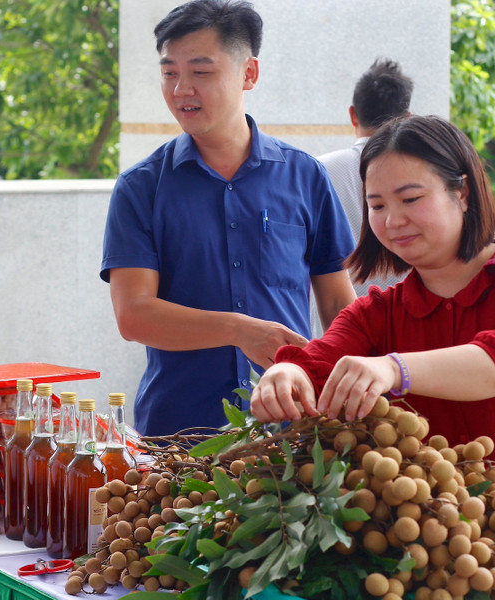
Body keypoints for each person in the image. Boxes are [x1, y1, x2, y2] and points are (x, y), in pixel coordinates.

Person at [250, 114, 495, 597]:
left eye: (410, 199)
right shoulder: (376, 313)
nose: (391, 220)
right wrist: (284, 374)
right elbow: (315, 362)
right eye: (376, 205)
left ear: (461, 192)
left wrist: (394, 369)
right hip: (434, 536)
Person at [100, 0, 356, 437]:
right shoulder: (140, 188)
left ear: (248, 73)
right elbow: (134, 315)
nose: (181, 89)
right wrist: (238, 330)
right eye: (169, 73)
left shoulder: (305, 176)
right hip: (179, 438)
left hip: (294, 432)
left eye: (200, 72)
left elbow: (337, 305)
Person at [317, 58, 414, 295]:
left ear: (353, 114)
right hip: (405, 308)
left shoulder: (317, 170)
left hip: (332, 314)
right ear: (407, 118)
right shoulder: (423, 172)